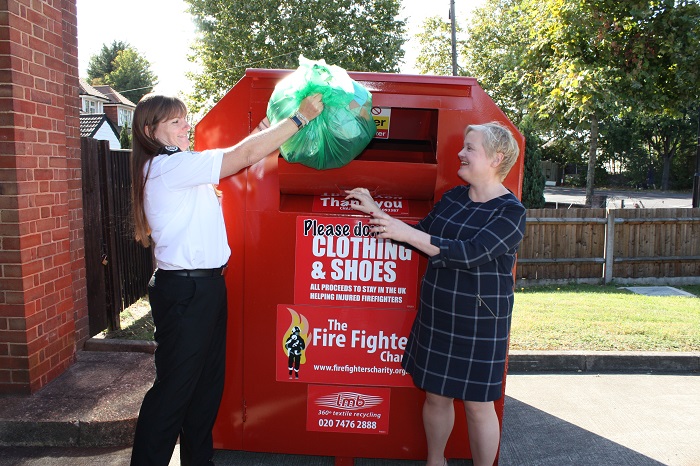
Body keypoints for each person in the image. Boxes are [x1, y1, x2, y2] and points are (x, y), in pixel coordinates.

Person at [129, 92, 323, 466]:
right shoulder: (169, 167)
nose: (187, 126)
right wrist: (299, 119)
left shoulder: (176, 165)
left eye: (186, 118)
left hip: (204, 288)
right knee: (173, 394)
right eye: (176, 122)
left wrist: (261, 133)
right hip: (188, 291)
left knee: (204, 392)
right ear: (150, 131)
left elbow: (239, 153)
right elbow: (241, 157)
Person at [345, 121, 526, 466]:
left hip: (479, 322)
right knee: (436, 396)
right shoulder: (454, 197)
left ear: (496, 158)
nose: (460, 152)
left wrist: (405, 232)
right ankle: (435, 461)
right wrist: (376, 212)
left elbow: (470, 252)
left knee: (477, 405)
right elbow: (420, 236)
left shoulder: (511, 212)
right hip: (439, 311)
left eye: (470, 148)